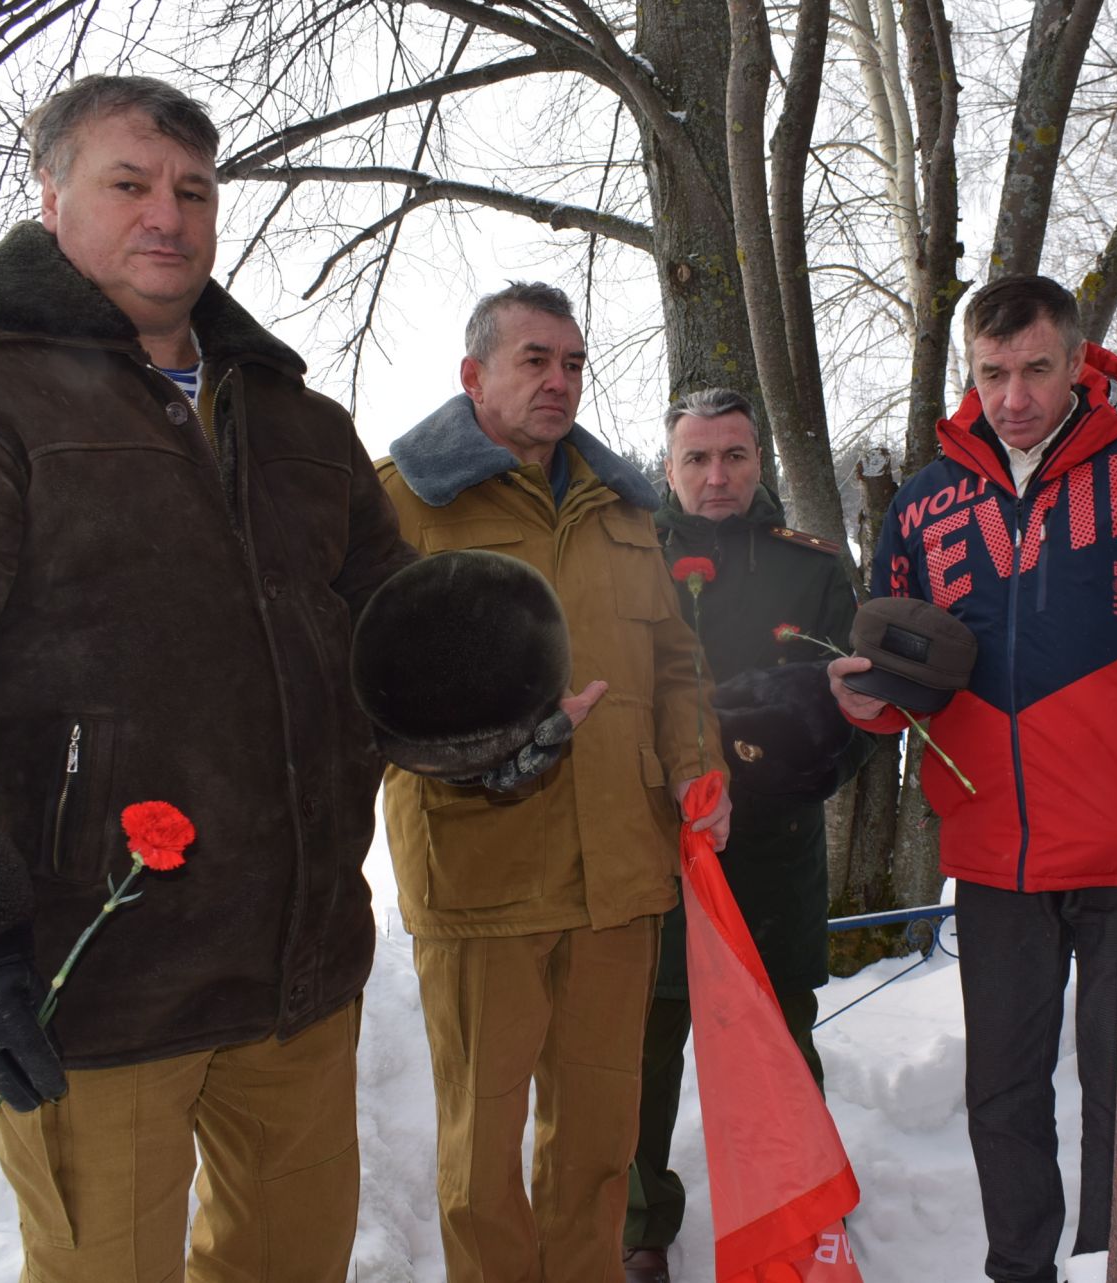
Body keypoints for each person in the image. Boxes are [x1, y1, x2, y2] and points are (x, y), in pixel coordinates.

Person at [0, 75, 416, 1281]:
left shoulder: (293, 418)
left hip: (297, 970)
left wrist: (476, 714)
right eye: (130, 183)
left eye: (192, 189)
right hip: (97, 974)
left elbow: (383, 632)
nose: (165, 213)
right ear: (54, 193)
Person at [826, 275, 1117, 1283]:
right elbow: (904, 664)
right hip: (996, 854)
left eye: (1036, 369)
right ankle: (1021, 1270)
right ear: (971, 371)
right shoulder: (923, 504)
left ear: (1079, 361)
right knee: (1001, 1088)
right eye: (993, 373)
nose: (1013, 396)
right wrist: (873, 701)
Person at [376, 281, 731, 1283]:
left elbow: (672, 660)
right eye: (534, 359)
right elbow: (371, 693)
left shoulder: (624, 507)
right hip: (482, 870)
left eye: (573, 363)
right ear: (472, 373)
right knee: (480, 1159)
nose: (559, 380)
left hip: (618, 871)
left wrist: (698, 764)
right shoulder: (400, 502)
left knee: (597, 1146)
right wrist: (499, 744)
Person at [623, 389, 872, 1283]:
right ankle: (642, 1221)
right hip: (655, 844)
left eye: (733, 456)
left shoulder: (809, 565)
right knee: (646, 1040)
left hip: (770, 846)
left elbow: (856, 708)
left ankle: (796, 1201)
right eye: (697, 459)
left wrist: (795, 779)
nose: (716, 476)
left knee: (779, 1030)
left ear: (760, 460)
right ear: (670, 467)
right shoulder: (631, 557)